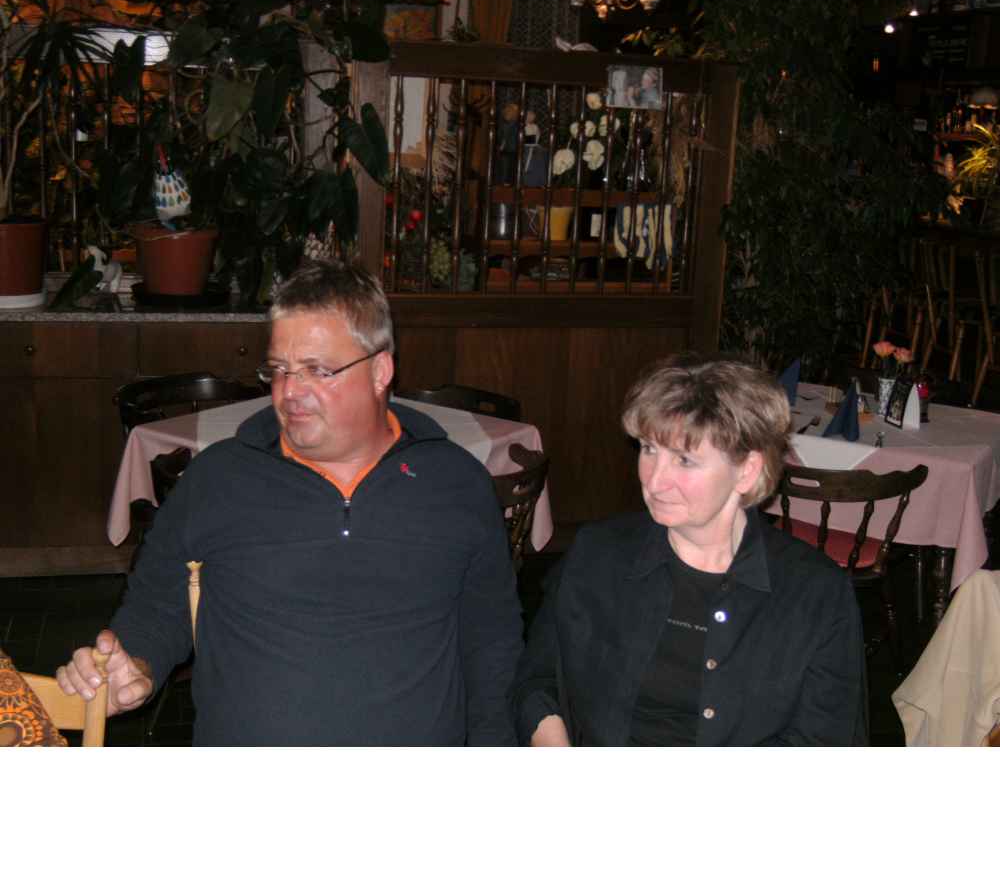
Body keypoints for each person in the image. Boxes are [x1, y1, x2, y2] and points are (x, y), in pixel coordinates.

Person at [57, 260, 524, 746]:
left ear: (380, 370)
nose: (290, 392)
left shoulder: (455, 483)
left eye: (317, 370)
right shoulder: (218, 479)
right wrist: (134, 663)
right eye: (278, 369)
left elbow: (492, 644)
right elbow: (157, 605)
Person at [512, 353, 867, 746]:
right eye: (649, 449)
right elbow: (538, 677)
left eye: (684, 460)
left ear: (747, 471)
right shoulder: (598, 553)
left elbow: (823, 741)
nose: (655, 481)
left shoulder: (815, 594)